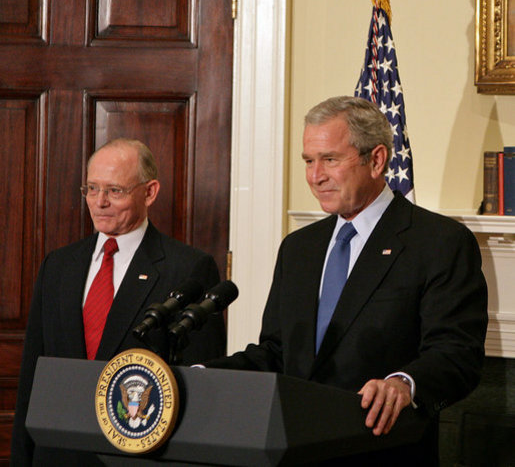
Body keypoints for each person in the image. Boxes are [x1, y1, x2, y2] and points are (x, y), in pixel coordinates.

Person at [207, 96, 488, 465]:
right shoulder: (299, 247)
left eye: (330, 159)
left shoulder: (439, 242)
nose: (315, 176)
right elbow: (275, 354)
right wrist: (202, 375)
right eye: (309, 161)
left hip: (381, 449)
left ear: (376, 160)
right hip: (295, 451)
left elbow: (457, 352)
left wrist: (404, 382)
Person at [11, 138, 226, 466]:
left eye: (115, 191)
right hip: (57, 454)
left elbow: (200, 391)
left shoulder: (188, 270)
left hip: (140, 456)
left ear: (150, 192)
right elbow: (32, 377)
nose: (100, 202)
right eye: (92, 189)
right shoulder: (58, 265)